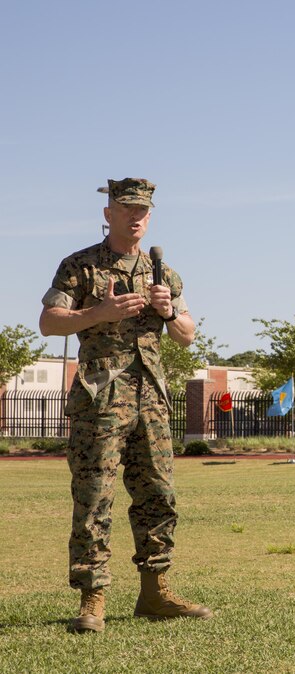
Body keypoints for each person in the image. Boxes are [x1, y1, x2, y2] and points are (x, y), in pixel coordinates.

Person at [39, 178, 213, 634]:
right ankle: (92, 598)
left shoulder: (164, 274)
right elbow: (48, 321)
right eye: (126, 208)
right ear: (108, 213)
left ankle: (155, 592)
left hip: (152, 399)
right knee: (95, 497)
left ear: (150, 217)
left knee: (158, 495)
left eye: (143, 210)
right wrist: (98, 313)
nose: (136, 216)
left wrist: (169, 312)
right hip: (101, 399)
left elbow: (188, 333)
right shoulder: (79, 267)